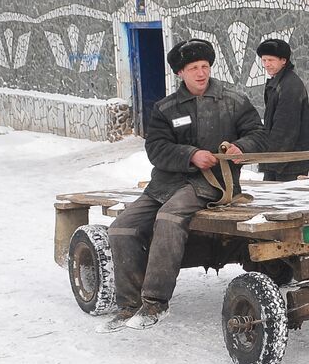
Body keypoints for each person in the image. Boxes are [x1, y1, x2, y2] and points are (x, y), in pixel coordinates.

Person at [100, 38, 266, 332]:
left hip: (211, 184)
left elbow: (257, 133)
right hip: (165, 184)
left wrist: (242, 147)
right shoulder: (166, 108)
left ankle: (154, 303)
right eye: (193, 68)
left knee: (169, 218)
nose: (201, 73)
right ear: (180, 73)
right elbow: (157, 148)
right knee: (121, 227)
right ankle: (128, 305)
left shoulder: (233, 100)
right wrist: (190, 155)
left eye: (205, 66)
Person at [255, 38, 309, 182]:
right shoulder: (278, 82)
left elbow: (284, 128)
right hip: (282, 159)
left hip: (290, 161)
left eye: (271, 60)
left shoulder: (289, 86)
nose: (267, 64)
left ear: (283, 60)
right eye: (264, 60)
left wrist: (273, 161)